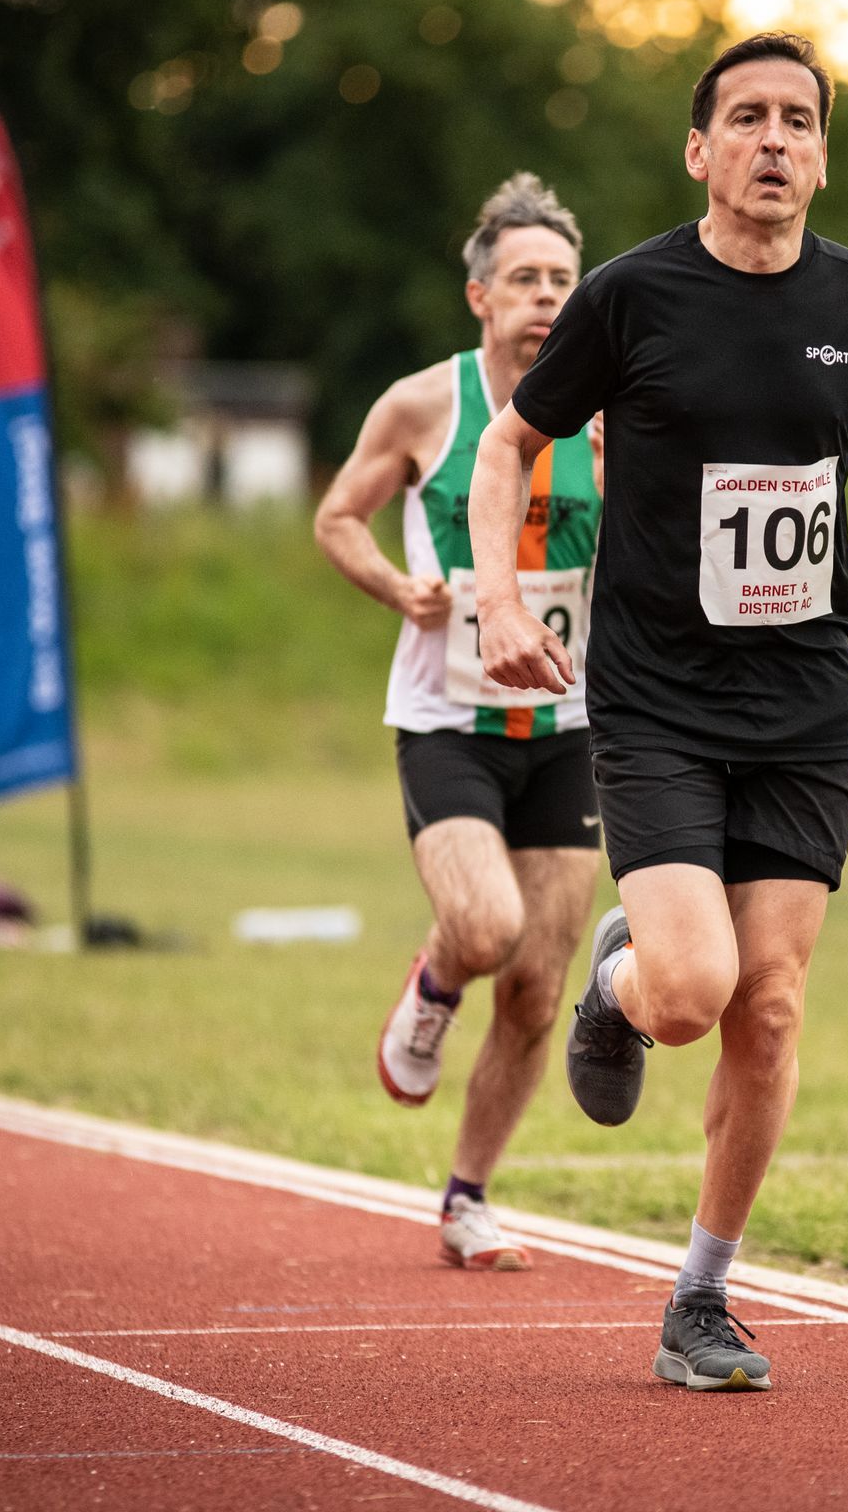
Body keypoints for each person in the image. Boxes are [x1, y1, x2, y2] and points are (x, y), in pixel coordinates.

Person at [470, 35, 848, 1390]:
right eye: (747, 118)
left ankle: (700, 1298)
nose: (774, 140)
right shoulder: (632, 295)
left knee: (770, 1008)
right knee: (694, 993)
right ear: (699, 151)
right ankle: (621, 985)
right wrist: (502, 602)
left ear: (821, 156)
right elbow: (511, 441)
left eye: (798, 121)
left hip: (806, 706)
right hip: (658, 702)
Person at [313, 173, 604, 1272]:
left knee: (537, 984)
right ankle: (434, 987)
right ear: (480, 296)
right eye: (524, 278)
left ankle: (468, 1196)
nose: (546, 296)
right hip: (449, 720)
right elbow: (337, 517)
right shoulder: (423, 405)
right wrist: (401, 587)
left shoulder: (610, 410)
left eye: (562, 279)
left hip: (568, 724)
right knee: (483, 931)